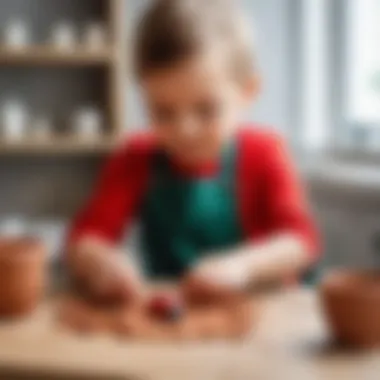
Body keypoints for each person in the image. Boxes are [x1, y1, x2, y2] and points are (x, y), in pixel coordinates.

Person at [66, 0, 319, 304]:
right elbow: (85, 238)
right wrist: (101, 260)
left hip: (260, 313)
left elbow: (300, 242)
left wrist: (239, 267)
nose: (185, 131)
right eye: (162, 112)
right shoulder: (135, 158)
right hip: (174, 319)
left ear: (247, 92)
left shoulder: (265, 153)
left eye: (206, 110)